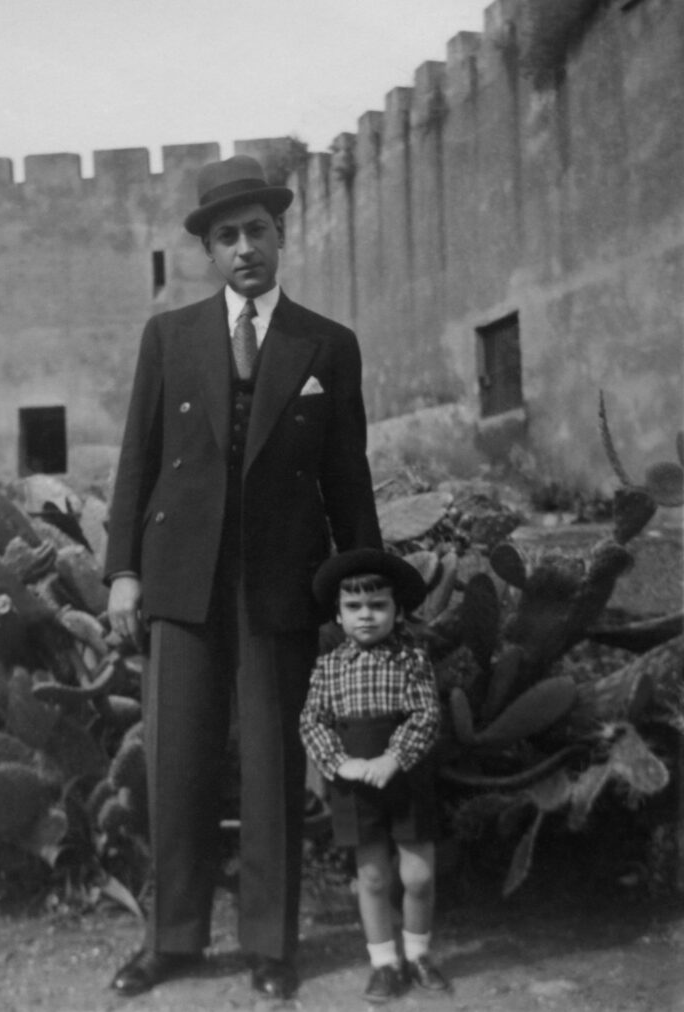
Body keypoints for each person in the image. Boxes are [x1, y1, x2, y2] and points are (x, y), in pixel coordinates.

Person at [103, 153, 383, 1000]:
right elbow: (136, 463)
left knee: (269, 767)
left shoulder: (326, 345)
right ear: (208, 251)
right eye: (226, 236)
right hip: (180, 580)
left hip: (278, 584)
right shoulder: (170, 337)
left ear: (279, 237)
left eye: (257, 231)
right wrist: (121, 572)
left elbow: (348, 478)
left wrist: (364, 588)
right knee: (177, 765)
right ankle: (174, 941)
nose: (244, 249)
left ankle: (271, 945)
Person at [299, 547, 448, 1004]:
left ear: (397, 610)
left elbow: (426, 716)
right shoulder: (329, 667)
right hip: (355, 782)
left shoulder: (413, 662)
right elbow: (312, 721)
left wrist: (393, 759)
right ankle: (384, 962)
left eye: (378, 605)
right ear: (339, 616)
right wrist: (341, 763)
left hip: (405, 777)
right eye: (354, 607)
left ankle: (418, 953)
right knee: (374, 877)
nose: (366, 616)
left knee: (419, 875)